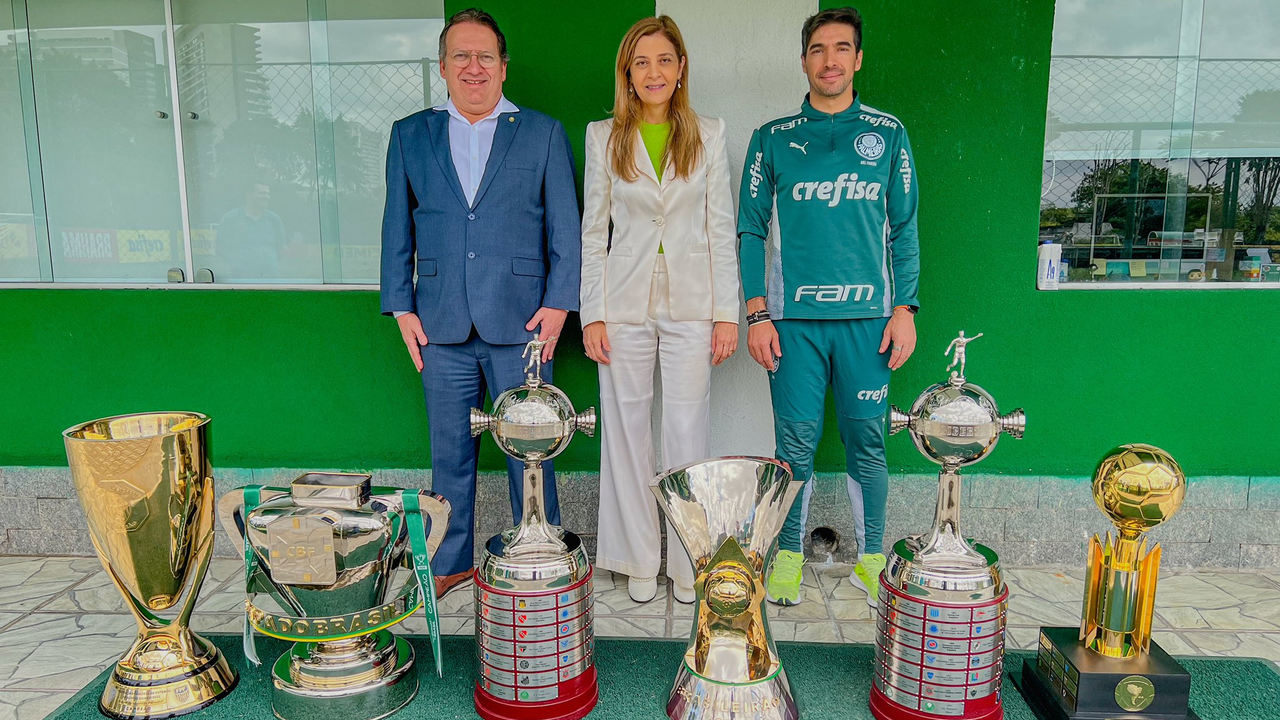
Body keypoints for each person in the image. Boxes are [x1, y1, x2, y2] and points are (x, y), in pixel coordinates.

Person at [380, 8, 582, 598]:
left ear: (503, 65)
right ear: (443, 67)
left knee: (532, 446)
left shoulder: (541, 132)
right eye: (461, 56)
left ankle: (537, 550)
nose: (474, 67)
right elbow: (398, 228)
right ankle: (451, 561)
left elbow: (565, 229)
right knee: (449, 453)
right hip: (438, 321)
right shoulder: (410, 134)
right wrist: (402, 308)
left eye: (485, 56)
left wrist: (559, 305)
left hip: (523, 321)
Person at [737, 6, 920, 607]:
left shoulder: (889, 135)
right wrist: (757, 313)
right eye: (819, 49)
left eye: (843, 48)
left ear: (858, 58)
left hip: (870, 320)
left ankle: (872, 561)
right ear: (804, 60)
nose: (831, 59)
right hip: (793, 323)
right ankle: (787, 556)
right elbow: (750, 229)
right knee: (794, 445)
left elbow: (904, 228)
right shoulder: (774, 137)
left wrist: (906, 309)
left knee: (868, 440)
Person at [581, 16, 739, 604]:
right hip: (621, 302)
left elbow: (720, 227)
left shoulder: (708, 132)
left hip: (693, 302)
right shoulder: (603, 136)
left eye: (664, 60)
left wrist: (727, 312)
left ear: (680, 68)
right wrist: (590, 312)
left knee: (685, 429)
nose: (654, 72)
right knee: (623, 430)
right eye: (642, 62)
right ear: (628, 71)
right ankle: (637, 559)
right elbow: (593, 229)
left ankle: (686, 561)